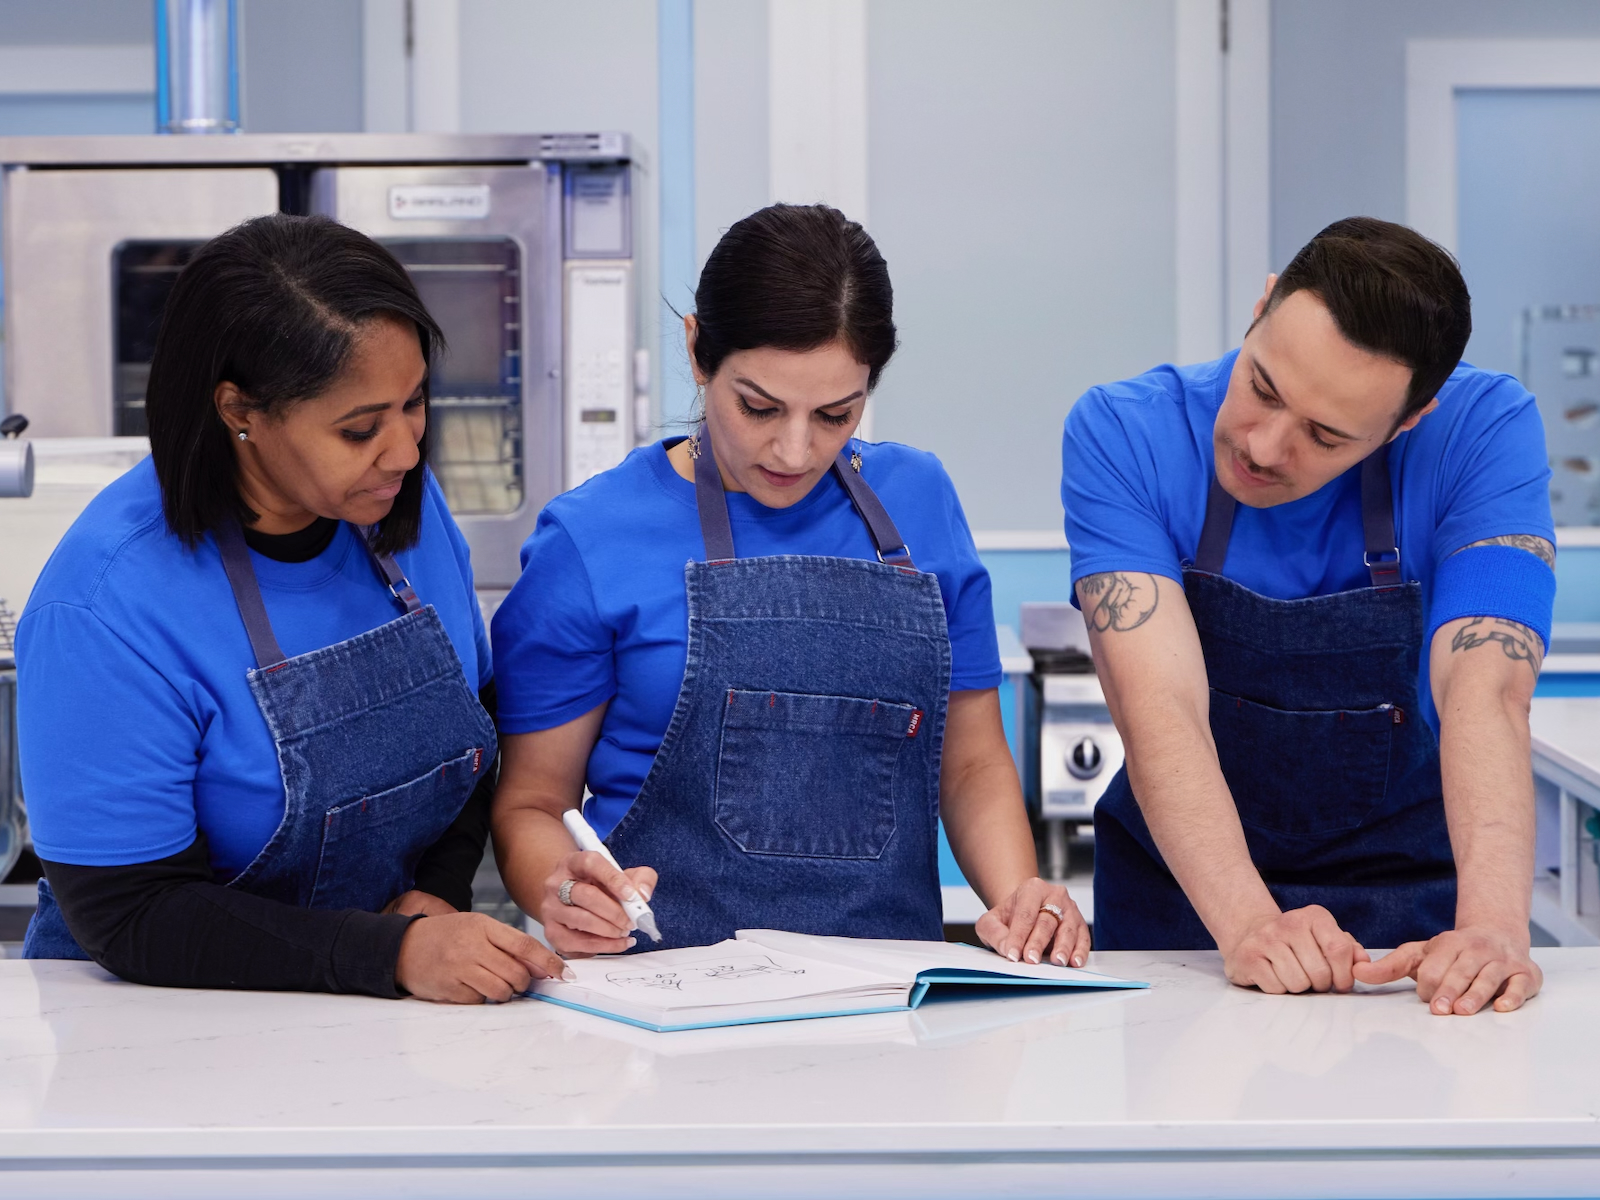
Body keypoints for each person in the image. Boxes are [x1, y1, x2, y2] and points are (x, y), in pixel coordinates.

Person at [491, 204, 1087, 966]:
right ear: (697, 348)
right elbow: (533, 805)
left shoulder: (921, 501)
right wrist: (565, 893)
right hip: (662, 1010)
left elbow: (970, 763)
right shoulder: (591, 539)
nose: (795, 450)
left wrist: (1018, 901)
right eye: (759, 406)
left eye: (837, 413)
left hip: (886, 1005)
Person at [17, 214, 564, 1002]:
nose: (406, 453)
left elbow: (466, 735)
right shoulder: (105, 607)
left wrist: (433, 897)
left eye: (415, 404)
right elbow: (132, 915)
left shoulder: (398, 504)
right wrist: (390, 953)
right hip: (150, 1035)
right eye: (359, 428)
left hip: (368, 1017)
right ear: (240, 410)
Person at [1062, 217, 1553, 1015]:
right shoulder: (1127, 432)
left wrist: (1493, 927)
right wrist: (1251, 922)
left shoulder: (1483, 432)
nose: (1262, 446)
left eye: (1326, 435)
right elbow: (1161, 708)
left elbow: (1484, 688)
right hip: (1189, 907)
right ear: (1261, 307)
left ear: (1410, 420)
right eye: (1262, 386)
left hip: (1416, 907)